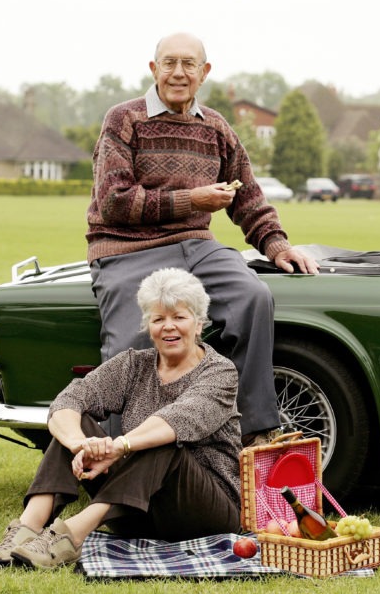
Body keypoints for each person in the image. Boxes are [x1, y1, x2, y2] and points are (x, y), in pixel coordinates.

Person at [86, 32, 318, 447]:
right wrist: (191, 199)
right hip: (127, 248)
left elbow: (247, 193)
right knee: (133, 340)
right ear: (153, 69)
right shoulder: (123, 119)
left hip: (197, 245)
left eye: (188, 64)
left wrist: (276, 243)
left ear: (204, 72)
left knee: (253, 297)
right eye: (169, 63)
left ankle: (251, 434)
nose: (178, 72)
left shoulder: (215, 126)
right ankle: (119, 454)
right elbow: (114, 201)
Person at [0, 268, 242, 570]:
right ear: (149, 326)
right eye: (159, 319)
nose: (169, 327)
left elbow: (179, 420)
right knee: (75, 422)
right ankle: (24, 531)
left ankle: (70, 538)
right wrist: (80, 444)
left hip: (204, 513)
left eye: (179, 317)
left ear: (199, 324)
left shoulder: (220, 372)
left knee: (164, 441)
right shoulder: (135, 364)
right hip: (134, 510)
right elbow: (69, 400)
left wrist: (119, 447)